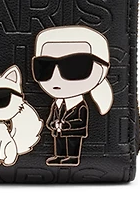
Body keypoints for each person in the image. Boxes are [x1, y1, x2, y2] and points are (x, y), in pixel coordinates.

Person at [32, 25, 113, 166]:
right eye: (45, 67)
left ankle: (73, 157)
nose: (56, 76)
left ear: (101, 71)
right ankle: (60, 156)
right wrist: (52, 124)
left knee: (72, 144)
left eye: (75, 67)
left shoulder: (80, 106)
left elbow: (81, 121)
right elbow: (52, 117)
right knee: (60, 144)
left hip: (74, 132)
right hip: (59, 131)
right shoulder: (57, 104)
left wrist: (66, 124)